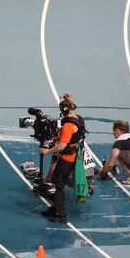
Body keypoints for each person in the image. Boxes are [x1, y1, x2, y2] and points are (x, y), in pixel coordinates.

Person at [39, 93, 86, 224]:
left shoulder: (68, 126)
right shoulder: (79, 119)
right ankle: (54, 209)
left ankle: (62, 215)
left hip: (66, 159)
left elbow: (61, 147)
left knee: (59, 186)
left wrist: (47, 150)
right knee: (56, 180)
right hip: (74, 155)